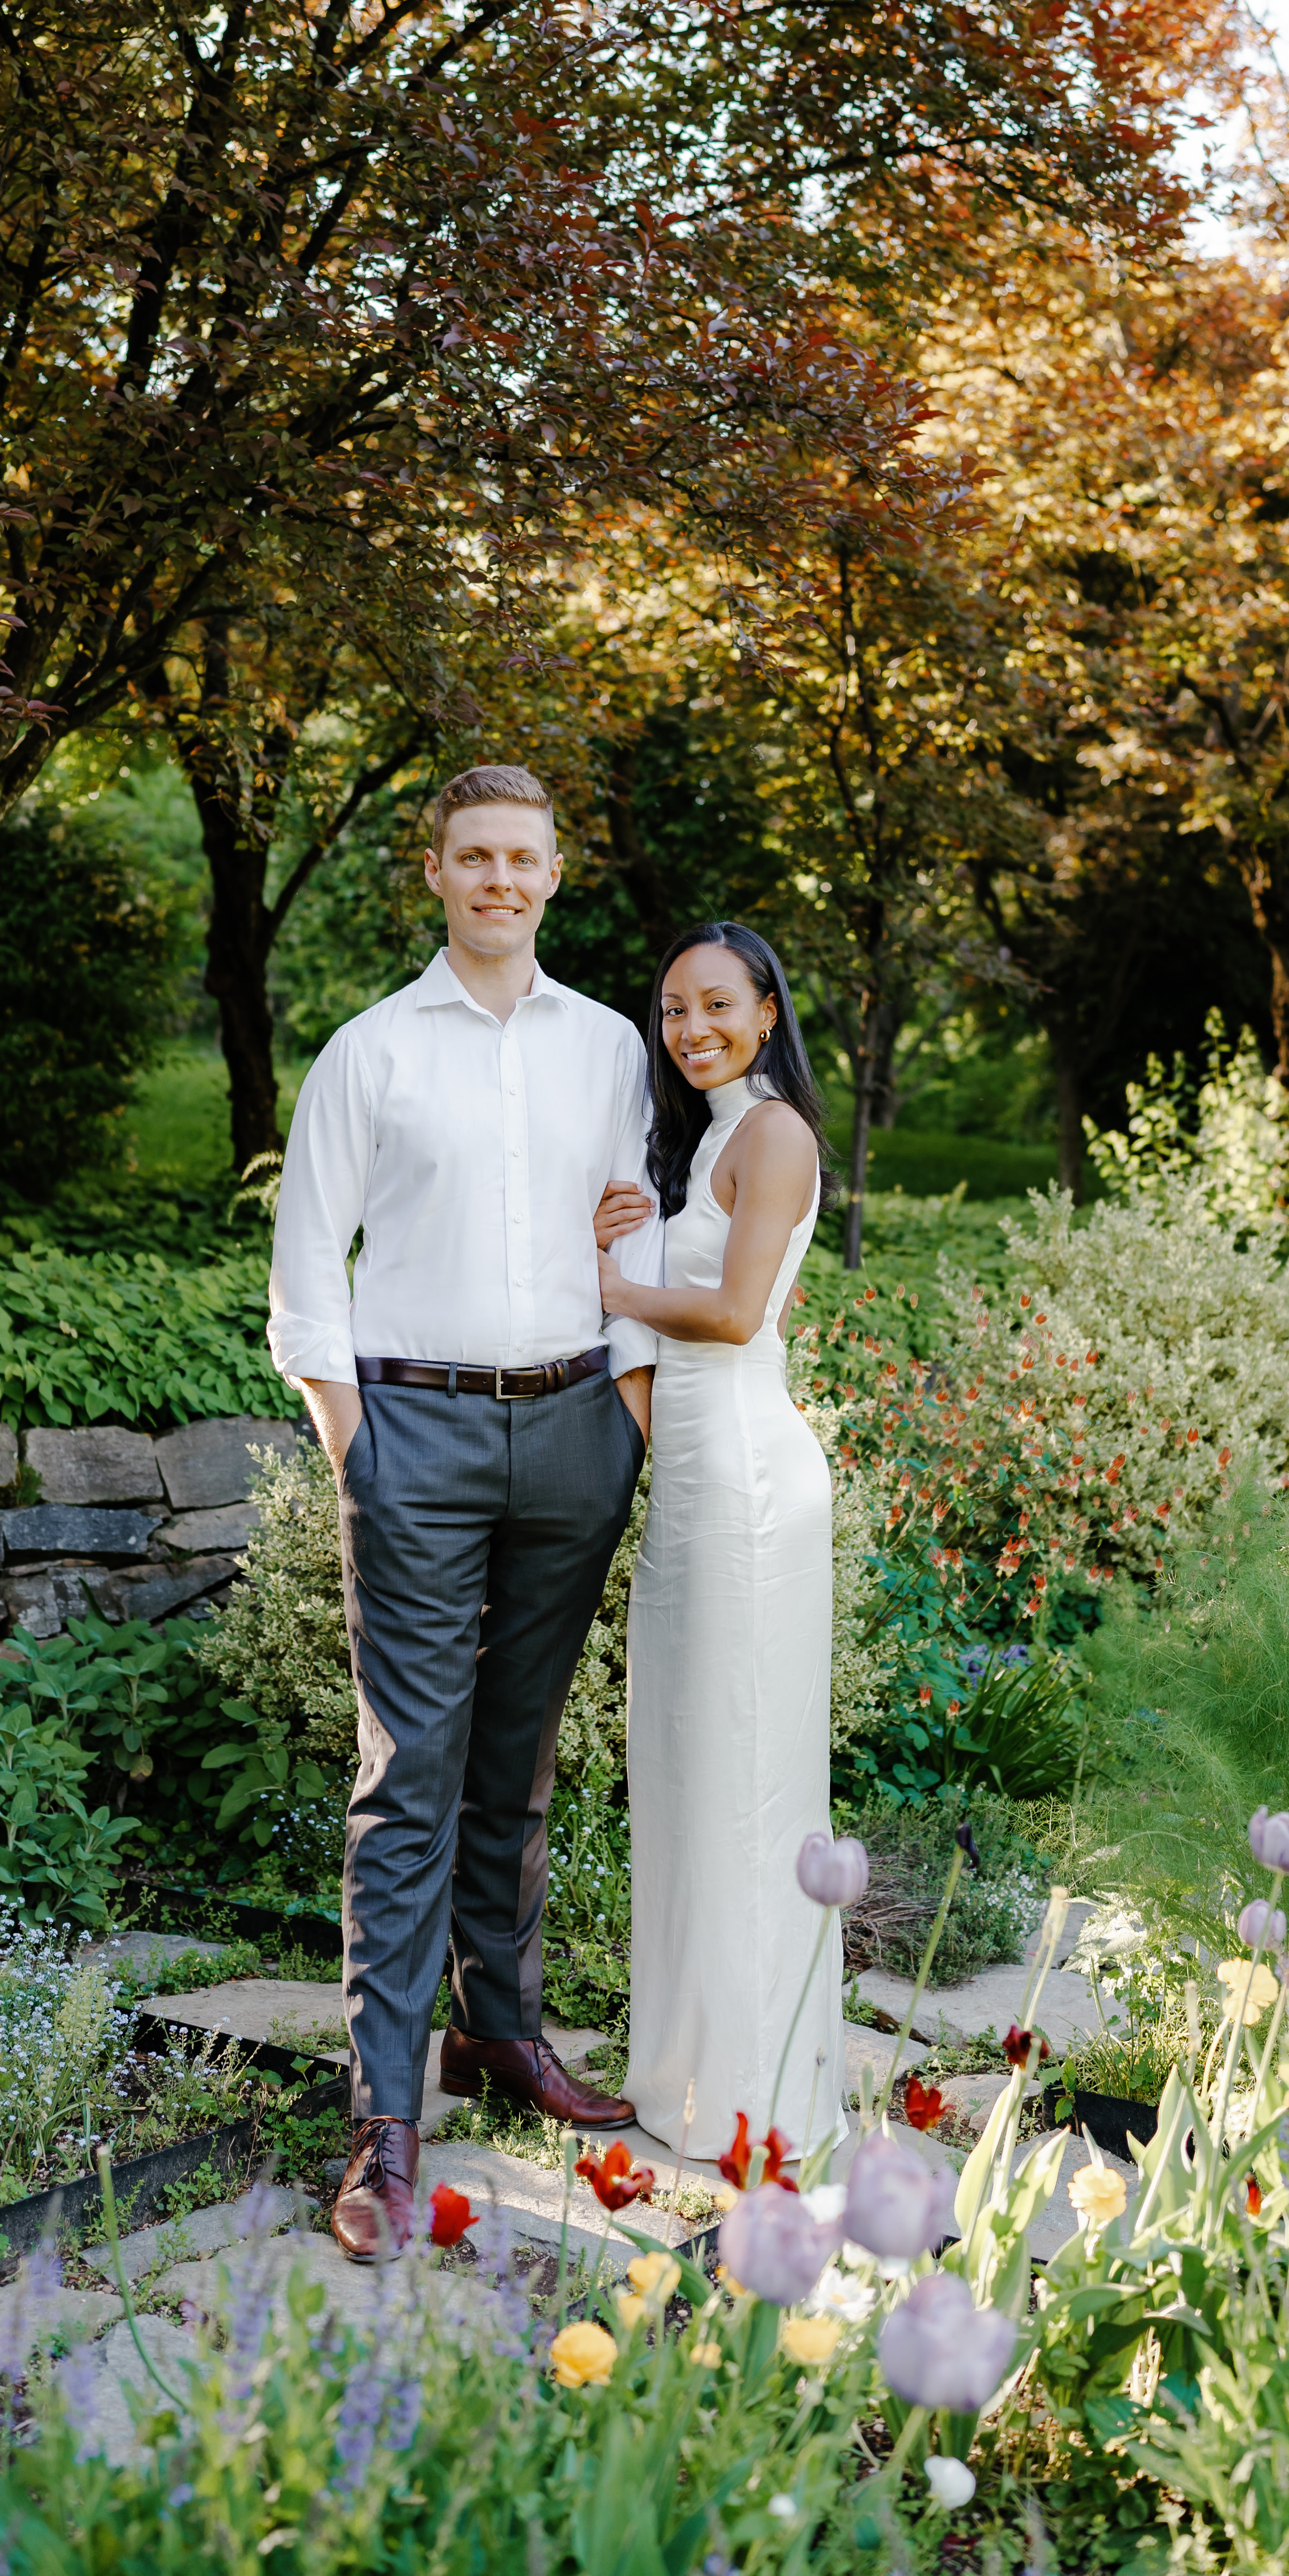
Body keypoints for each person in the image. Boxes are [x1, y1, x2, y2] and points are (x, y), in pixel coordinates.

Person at [268, 762, 654, 2261]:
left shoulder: (610, 1049)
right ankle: (385, 2116)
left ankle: (505, 2030)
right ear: (435, 872)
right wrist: (351, 1431)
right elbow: (311, 1263)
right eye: (474, 856)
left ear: (555, 876)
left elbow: (636, 1230)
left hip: (573, 1428)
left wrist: (621, 1412)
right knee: (408, 1771)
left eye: (524, 858)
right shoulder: (370, 1054)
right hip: (414, 1426)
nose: (500, 879)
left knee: (520, 1754)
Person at [594, 920, 845, 2162]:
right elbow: (660, 1358)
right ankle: (694, 2072)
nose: (689, 1030)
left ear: (762, 1012)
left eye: (712, 1007)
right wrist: (631, 1238)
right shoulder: (709, 1148)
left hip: (750, 1489)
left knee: (747, 1783)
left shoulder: (779, 1134)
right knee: (690, 1777)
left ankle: (761, 2102)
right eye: (669, 1011)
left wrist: (619, 1287)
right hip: (695, 1491)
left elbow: (739, 1314)